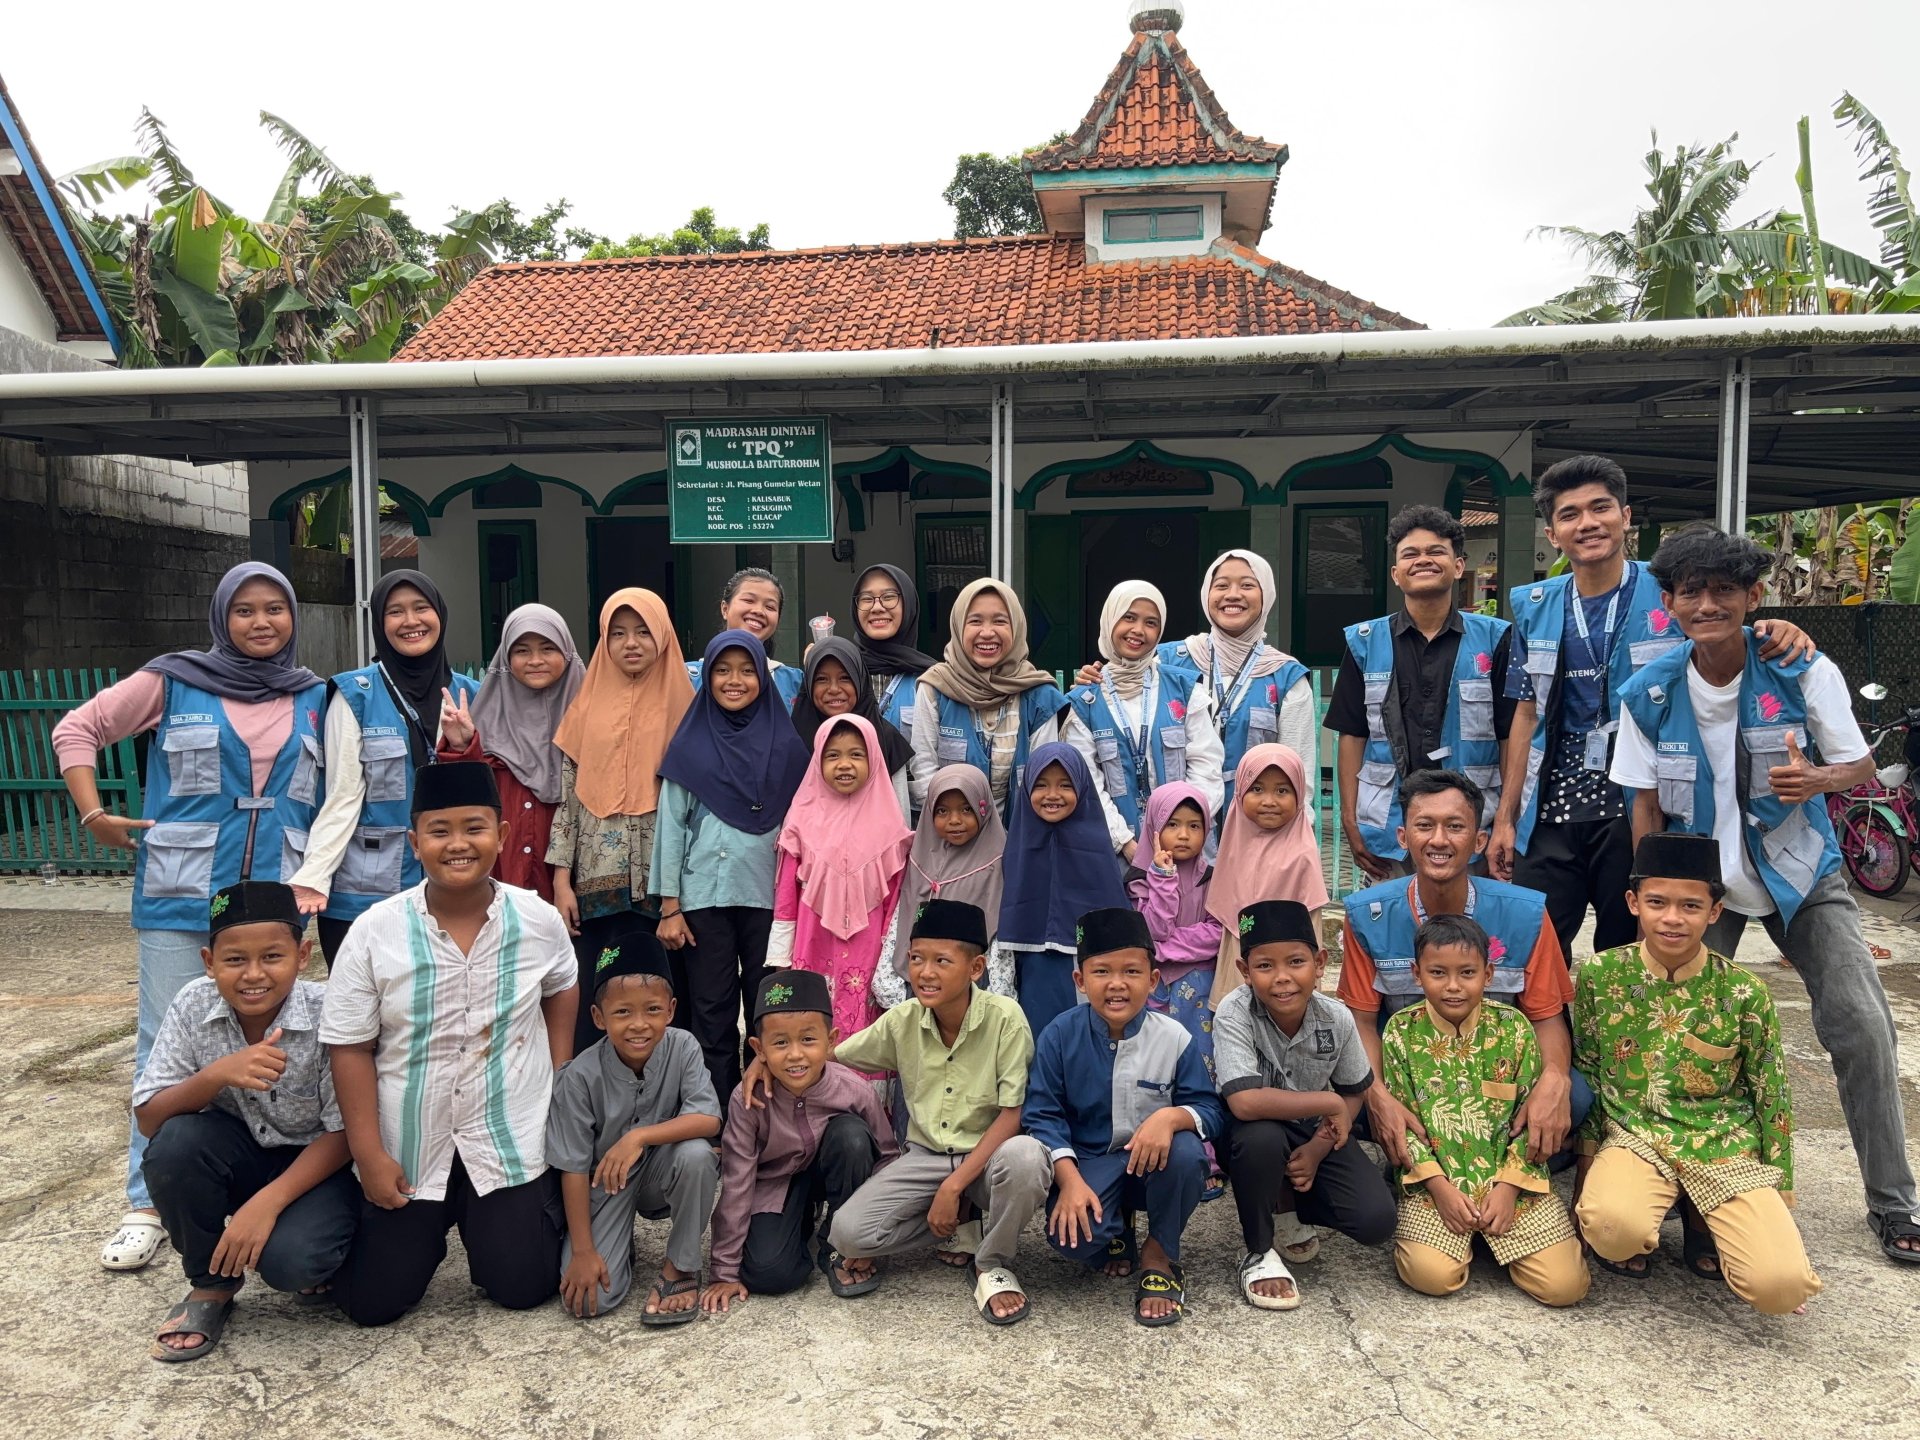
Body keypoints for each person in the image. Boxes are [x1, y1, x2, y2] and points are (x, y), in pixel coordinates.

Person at [1612, 524, 1918, 1264]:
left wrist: (1814, 779)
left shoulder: (1800, 667)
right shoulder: (1648, 691)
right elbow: (1644, 805)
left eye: (1726, 590)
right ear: (1671, 602)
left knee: (1860, 1025)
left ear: (1754, 597)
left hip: (1801, 874)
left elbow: (1857, 764)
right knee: (1673, 1040)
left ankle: (1894, 1202)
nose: (1708, 603)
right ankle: (1695, 1208)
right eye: (1693, 591)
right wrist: (1653, 896)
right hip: (1700, 889)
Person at [52, 560, 327, 1272]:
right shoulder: (174, 681)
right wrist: (94, 813)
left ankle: (265, 1177)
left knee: (285, 1046)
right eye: (245, 610)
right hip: (181, 891)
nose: (261, 622)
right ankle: (145, 1202)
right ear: (221, 618)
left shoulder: (317, 697)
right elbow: (76, 730)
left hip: (273, 902)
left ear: (293, 617)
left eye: (275, 608)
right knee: (164, 1040)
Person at [1489, 455, 1812, 959]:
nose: (1588, 523)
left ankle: (1616, 1042)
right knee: (1533, 950)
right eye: (1570, 514)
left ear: (1626, 517)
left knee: (1632, 950)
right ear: (1552, 534)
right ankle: (1551, 1040)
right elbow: (1525, 713)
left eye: (1601, 508)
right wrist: (1506, 819)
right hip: (1551, 805)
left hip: (1642, 804)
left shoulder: (1670, 592)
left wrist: (1779, 628)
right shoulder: (1533, 605)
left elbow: (1724, 632)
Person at [320, 761, 578, 1327]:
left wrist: (559, 1067)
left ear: (502, 835)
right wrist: (369, 1154)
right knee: (373, 1304)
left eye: (474, 828)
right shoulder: (373, 930)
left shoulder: (537, 920)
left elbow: (562, 985)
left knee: (523, 1286)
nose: (458, 844)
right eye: (439, 831)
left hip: (505, 1137)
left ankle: (493, 1225)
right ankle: (414, 1229)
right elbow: (349, 1046)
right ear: (415, 842)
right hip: (411, 1143)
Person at [1573, 834, 1823, 1312]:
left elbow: (1772, 1093)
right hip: (1636, 1136)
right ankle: (1664, 1209)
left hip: (1724, 1146)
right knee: (1610, 1228)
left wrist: (1778, 1197)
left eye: (1690, 905)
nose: (1672, 918)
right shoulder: (1600, 976)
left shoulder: (1743, 991)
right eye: (1657, 903)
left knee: (1780, 1286)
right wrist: (1585, 1179)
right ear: (1633, 903)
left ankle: (1701, 1212)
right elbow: (1588, 1070)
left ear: (1714, 911)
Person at [134, 881, 359, 1361]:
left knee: (294, 1265)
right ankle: (211, 1285)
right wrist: (215, 1075)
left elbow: (345, 1131)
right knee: (176, 1146)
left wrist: (267, 1205)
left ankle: (319, 1242)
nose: (253, 974)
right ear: (208, 961)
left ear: (302, 955)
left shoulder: (329, 1011)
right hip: (237, 1154)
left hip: (316, 1165)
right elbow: (151, 1120)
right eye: (234, 960)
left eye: (272, 957)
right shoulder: (193, 1004)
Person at [815, 899, 1052, 1325]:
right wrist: (774, 1060)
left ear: (976, 968)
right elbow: (832, 1055)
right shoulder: (903, 1019)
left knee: (1028, 1159)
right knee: (848, 1235)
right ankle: (961, 1227)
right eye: (917, 959)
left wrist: (955, 1186)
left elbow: (1012, 1114)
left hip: (987, 1159)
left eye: (942, 961)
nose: (925, 972)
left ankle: (990, 1261)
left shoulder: (1006, 1019)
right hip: (925, 1158)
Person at [1338, 769, 1583, 1176]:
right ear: (1403, 837)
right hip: (1411, 1074)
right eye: (1424, 826)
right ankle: (1416, 1162)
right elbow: (1361, 1022)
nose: (1438, 840)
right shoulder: (1367, 914)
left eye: (1455, 827)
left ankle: (1504, 1169)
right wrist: (1378, 1096)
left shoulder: (1526, 914)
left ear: (1478, 841)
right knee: (1353, 1091)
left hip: (1497, 1073)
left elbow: (1546, 1017)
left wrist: (1555, 1079)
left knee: (1575, 1097)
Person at [1022, 907, 1224, 1327]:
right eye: (1101, 972)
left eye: (1131, 972)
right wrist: (1070, 1181)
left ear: (1152, 980)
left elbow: (1209, 1109)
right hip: (1091, 1164)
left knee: (1187, 1152)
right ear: (1080, 981)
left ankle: (1160, 1253)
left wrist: (1169, 1119)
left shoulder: (1174, 1038)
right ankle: (1117, 1229)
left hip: (1155, 1166)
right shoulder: (1059, 1035)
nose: (1117, 985)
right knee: (1070, 1241)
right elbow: (1042, 1114)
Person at [1382, 914, 1588, 1307]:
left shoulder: (1513, 1029)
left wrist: (1509, 1188)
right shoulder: (1400, 1034)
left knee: (1565, 1287)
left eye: (1468, 972)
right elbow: (1403, 1125)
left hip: (1513, 1184)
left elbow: (1533, 1123)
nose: (1454, 986)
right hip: (1436, 1187)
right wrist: (1440, 1190)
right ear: (1416, 973)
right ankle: (1470, 1245)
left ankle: (1494, 1241)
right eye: (1438, 972)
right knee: (1431, 1276)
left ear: (1489, 974)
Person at [291, 569, 481, 963]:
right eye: (395, 612)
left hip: (453, 887)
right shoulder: (354, 693)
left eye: (421, 608)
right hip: (363, 896)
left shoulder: (470, 694)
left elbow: (488, 795)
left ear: (440, 615)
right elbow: (341, 795)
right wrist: (314, 875)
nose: (410, 621)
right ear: (379, 623)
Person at [1214, 900, 1395, 1310]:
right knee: (1261, 1139)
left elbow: (1353, 1092)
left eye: (1296, 962)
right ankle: (1258, 1250)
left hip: (1312, 1131)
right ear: (1244, 972)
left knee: (1375, 1221)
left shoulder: (1337, 1017)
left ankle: (1288, 1200)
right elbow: (1243, 1102)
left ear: (1320, 963)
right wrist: (1328, 1101)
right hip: (1250, 1130)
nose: (1282, 978)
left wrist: (1316, 1150)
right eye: (1264, 966)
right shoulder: (1235, 1013)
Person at [653, 630, 810, 1102]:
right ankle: (717, 1116)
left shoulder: (787, 749)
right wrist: (669, 905)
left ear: (763, 677)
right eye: (722, 670)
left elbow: (804, 826)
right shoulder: (690, 745)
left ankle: (768, 1112)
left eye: (746, 671)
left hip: (769, 899)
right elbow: (670, 825)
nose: (734, 681)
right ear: (708, 676)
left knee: (770, 1012)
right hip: (704, 900)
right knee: (712, 1013)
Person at [1330, 505, 1516, 879]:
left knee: (1468, 933)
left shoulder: (1496, 640)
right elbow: (1352, 735)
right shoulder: (1365, 643)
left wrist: (1507, 821)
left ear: (1459, 566)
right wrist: (1350, 820)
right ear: (1396, 574)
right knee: (1390, 931)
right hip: (1388, 828)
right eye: (1410, 554)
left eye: (1436, 552)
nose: (1423, 561)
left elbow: (1510, 735)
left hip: (1473, 827)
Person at [548, 932, 722, 1322]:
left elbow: (709, 1117)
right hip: (605, 1182)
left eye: (652, 1010)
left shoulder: (683, 1046)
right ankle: (615, 1240)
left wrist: (639, 1136)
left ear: (671, 1009)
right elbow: (573, 1166)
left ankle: (680, 1265)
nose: (639, 1025)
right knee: (590, 1302)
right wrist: (583, 1251)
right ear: (597, 1017)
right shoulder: (580, 1075)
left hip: (660, 1171)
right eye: (622, 1012)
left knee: (698, 1154)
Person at [548, 589, 694, 1052]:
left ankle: (669, 1109)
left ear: (664, 637)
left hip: (667, 888)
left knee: (668, 998)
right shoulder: (586, 709)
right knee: (601, 993)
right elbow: (567, 800)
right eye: (618, 633)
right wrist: (560, 878)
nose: (631, 643)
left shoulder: (689, 711)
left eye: (643, 632)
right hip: (596, 886)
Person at [703, 970, 897, 1312]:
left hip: (836, 1172)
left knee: (851, 1137)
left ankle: (835, 1244)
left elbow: (886, 1158)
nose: (795, 1055)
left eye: (808, 1040)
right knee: (769, 1275)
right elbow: (737, 1181)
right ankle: (800, 1221)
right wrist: (724, 1269)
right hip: (777, 1184)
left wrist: (868, 1237)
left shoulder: (854, 1090)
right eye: (780, 1043)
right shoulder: (748, 1099)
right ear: (758, 1049)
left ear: (831, 1039)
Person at [1083, 550, 1315, 817]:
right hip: (1178, 829)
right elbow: (1122, 689)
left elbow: (1299, 774)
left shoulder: (1285, 677)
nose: (1233, 594)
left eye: (1248, 585)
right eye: (1222, 585)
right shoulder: (1168, 660)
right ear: (1207, 594)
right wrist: (1096, 678)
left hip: (1254, 827)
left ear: (1267, 595)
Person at [769, 716, 914, 1052]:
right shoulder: (799, 823)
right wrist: (781, 958)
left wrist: (893, 960)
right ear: (817, 760)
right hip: (811, 943)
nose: (844, 765)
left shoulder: (890, 827)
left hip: (871, 949)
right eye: (832, 755)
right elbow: (787, 897)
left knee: (866, 1026)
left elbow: (896, 903)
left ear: (875, 759)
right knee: (811, 1022)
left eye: (856, 755)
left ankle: (866, 1100)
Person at [436, 602, 584, 905]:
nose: (535, 661)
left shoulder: (592, 716)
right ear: (505, 658)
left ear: (567, 653)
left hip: (573, 883)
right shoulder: (485, 720)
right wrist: (463, 747)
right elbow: (466, 797)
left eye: (547, 648)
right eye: (521, 651)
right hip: (504, 873)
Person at [1063, 580, 1223, 855]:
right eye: (1128, 617)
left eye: (1151, 623)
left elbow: (1207, 767)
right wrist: (1124, 842)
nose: (1138, 630)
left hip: (1184, 851)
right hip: (1113, 853)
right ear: (1110, 620)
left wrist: (1181, 830)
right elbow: (1086, 781)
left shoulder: (1184, 690)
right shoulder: (1083, 702)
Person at [992, 744, 1130, 1035]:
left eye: (1065, 785)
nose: (1052, 794)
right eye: (1041, 785)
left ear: (1081, 788)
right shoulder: (1018, 843)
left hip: (1088, 964)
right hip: (1035, 966)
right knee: (1039, 1041)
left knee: (1085, 1040)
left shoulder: (1096, 845)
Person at [908, 578, 1069, 822]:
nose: (987, 632)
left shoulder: (1040, 696)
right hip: (952, 840)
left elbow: (1043, 781)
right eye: (974, 621)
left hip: (1020, 841)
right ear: (958, 626)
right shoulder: (935, 688)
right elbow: (924, 772)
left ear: (1016, 627)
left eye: (1000, 621)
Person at [1203, 744, 1328, 1012]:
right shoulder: (1233, 845)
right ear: (1239, 793)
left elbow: (1311, 927)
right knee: (1239, 1019)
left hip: (1291, 968)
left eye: (1282, 790)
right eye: (1257, 789)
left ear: (1298, 795)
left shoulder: (1303, 853)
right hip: (1240, 956)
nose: (1269, 800)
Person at [878, 764, 1010, 1007]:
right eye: (942, 811)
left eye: (966, 809)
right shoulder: (920, 856)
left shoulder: (999, 861)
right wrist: (889, 980)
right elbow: (905, 915)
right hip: (921, 986)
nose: (955, 820)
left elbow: (999, 935)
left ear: (984, 809)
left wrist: (997, 997)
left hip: (973, 989)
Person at [1127, 782, 1225, 1081]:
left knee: (1201, 1057)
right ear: (1154, 827)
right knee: (1156, 1059)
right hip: (1155, 987)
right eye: (1173, 824)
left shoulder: (1213, 877)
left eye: (1194, 826)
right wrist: (1163, 877)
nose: (1184, 834)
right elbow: (1155, 927)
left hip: (1199, 987)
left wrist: (1164, 948)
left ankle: (1202, 1113)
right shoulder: (1139, 879)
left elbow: (1217, 934)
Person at [788, 636, 914, 817]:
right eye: (822, 679)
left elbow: (900, 816)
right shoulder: (794, 741)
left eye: (845, 678)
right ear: (808, 684)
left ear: (860, 680)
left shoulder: (885, 738)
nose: (833, 689)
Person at [685, 566, 805, 710]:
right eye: (749, 600)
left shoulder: (794, 681)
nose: (759, 611)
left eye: (770, 607)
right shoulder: (687, 677)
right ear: (725, 608)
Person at [850, 563, 938, 742]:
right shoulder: (843, 671)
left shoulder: (932, 679)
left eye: (889, 597)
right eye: (867, 599)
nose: (877, 607)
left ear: (909, 605)